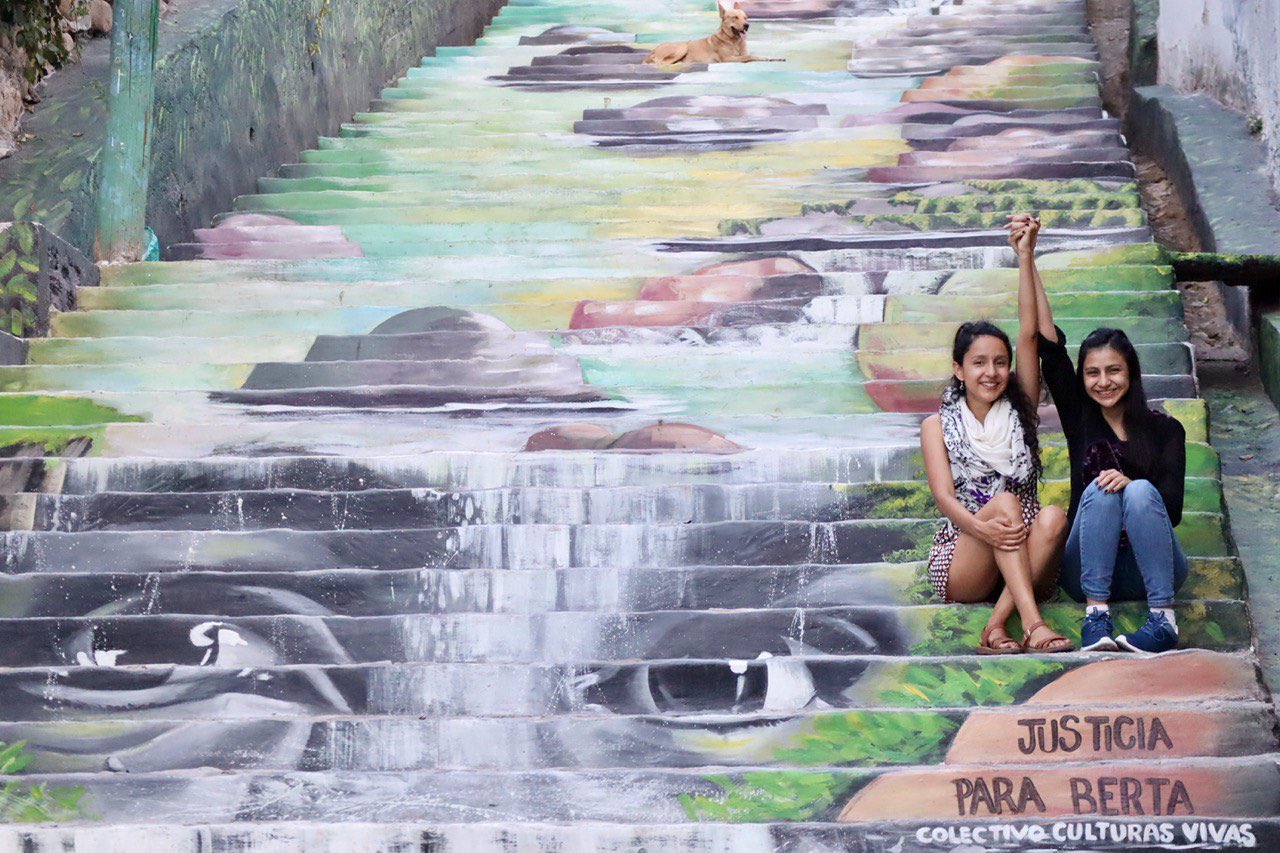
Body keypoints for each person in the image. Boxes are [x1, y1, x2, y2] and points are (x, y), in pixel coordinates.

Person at [1022, 214, 1188, 654]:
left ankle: (1163, 619)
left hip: (1150, 567)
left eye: (1113, 370)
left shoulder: (1167, 429)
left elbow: (1170, 510)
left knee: (1134, 494)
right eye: (1092, 372)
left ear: (1131, 373)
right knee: (1102, 491)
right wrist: (1028, 257)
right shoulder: (1080, 417)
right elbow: (1048, 346)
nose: (1103, 381)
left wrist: (1135, 483)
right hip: (1088, 570)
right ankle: (1096, 618)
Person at [920, 216, 1071, 654]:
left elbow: (1029, 333)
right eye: (979, 362)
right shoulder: (936, 426)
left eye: (1000, 362)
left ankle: (996, 624)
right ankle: (1034, 625)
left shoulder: (1019, 407)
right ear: (959, 369)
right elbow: (945, 499)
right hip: (966, 554)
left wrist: (1025, 256)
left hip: (1023, 549)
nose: (992, 372)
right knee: (1004, 504)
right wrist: (986, 532)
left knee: (1055, 517)